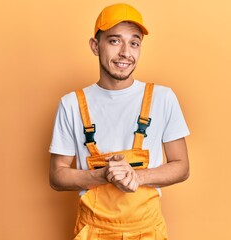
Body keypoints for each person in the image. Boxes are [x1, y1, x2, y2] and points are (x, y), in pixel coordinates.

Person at [49, 3, 190, 239]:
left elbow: (182, 166)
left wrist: (138, 176)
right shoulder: (71, 104)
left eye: (134, 43)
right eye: (114, 41)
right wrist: (102, 175)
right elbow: (57, 175)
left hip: (148, 231)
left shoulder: (163, 98)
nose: (126, 52)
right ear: (95, 46)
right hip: (92, 232)